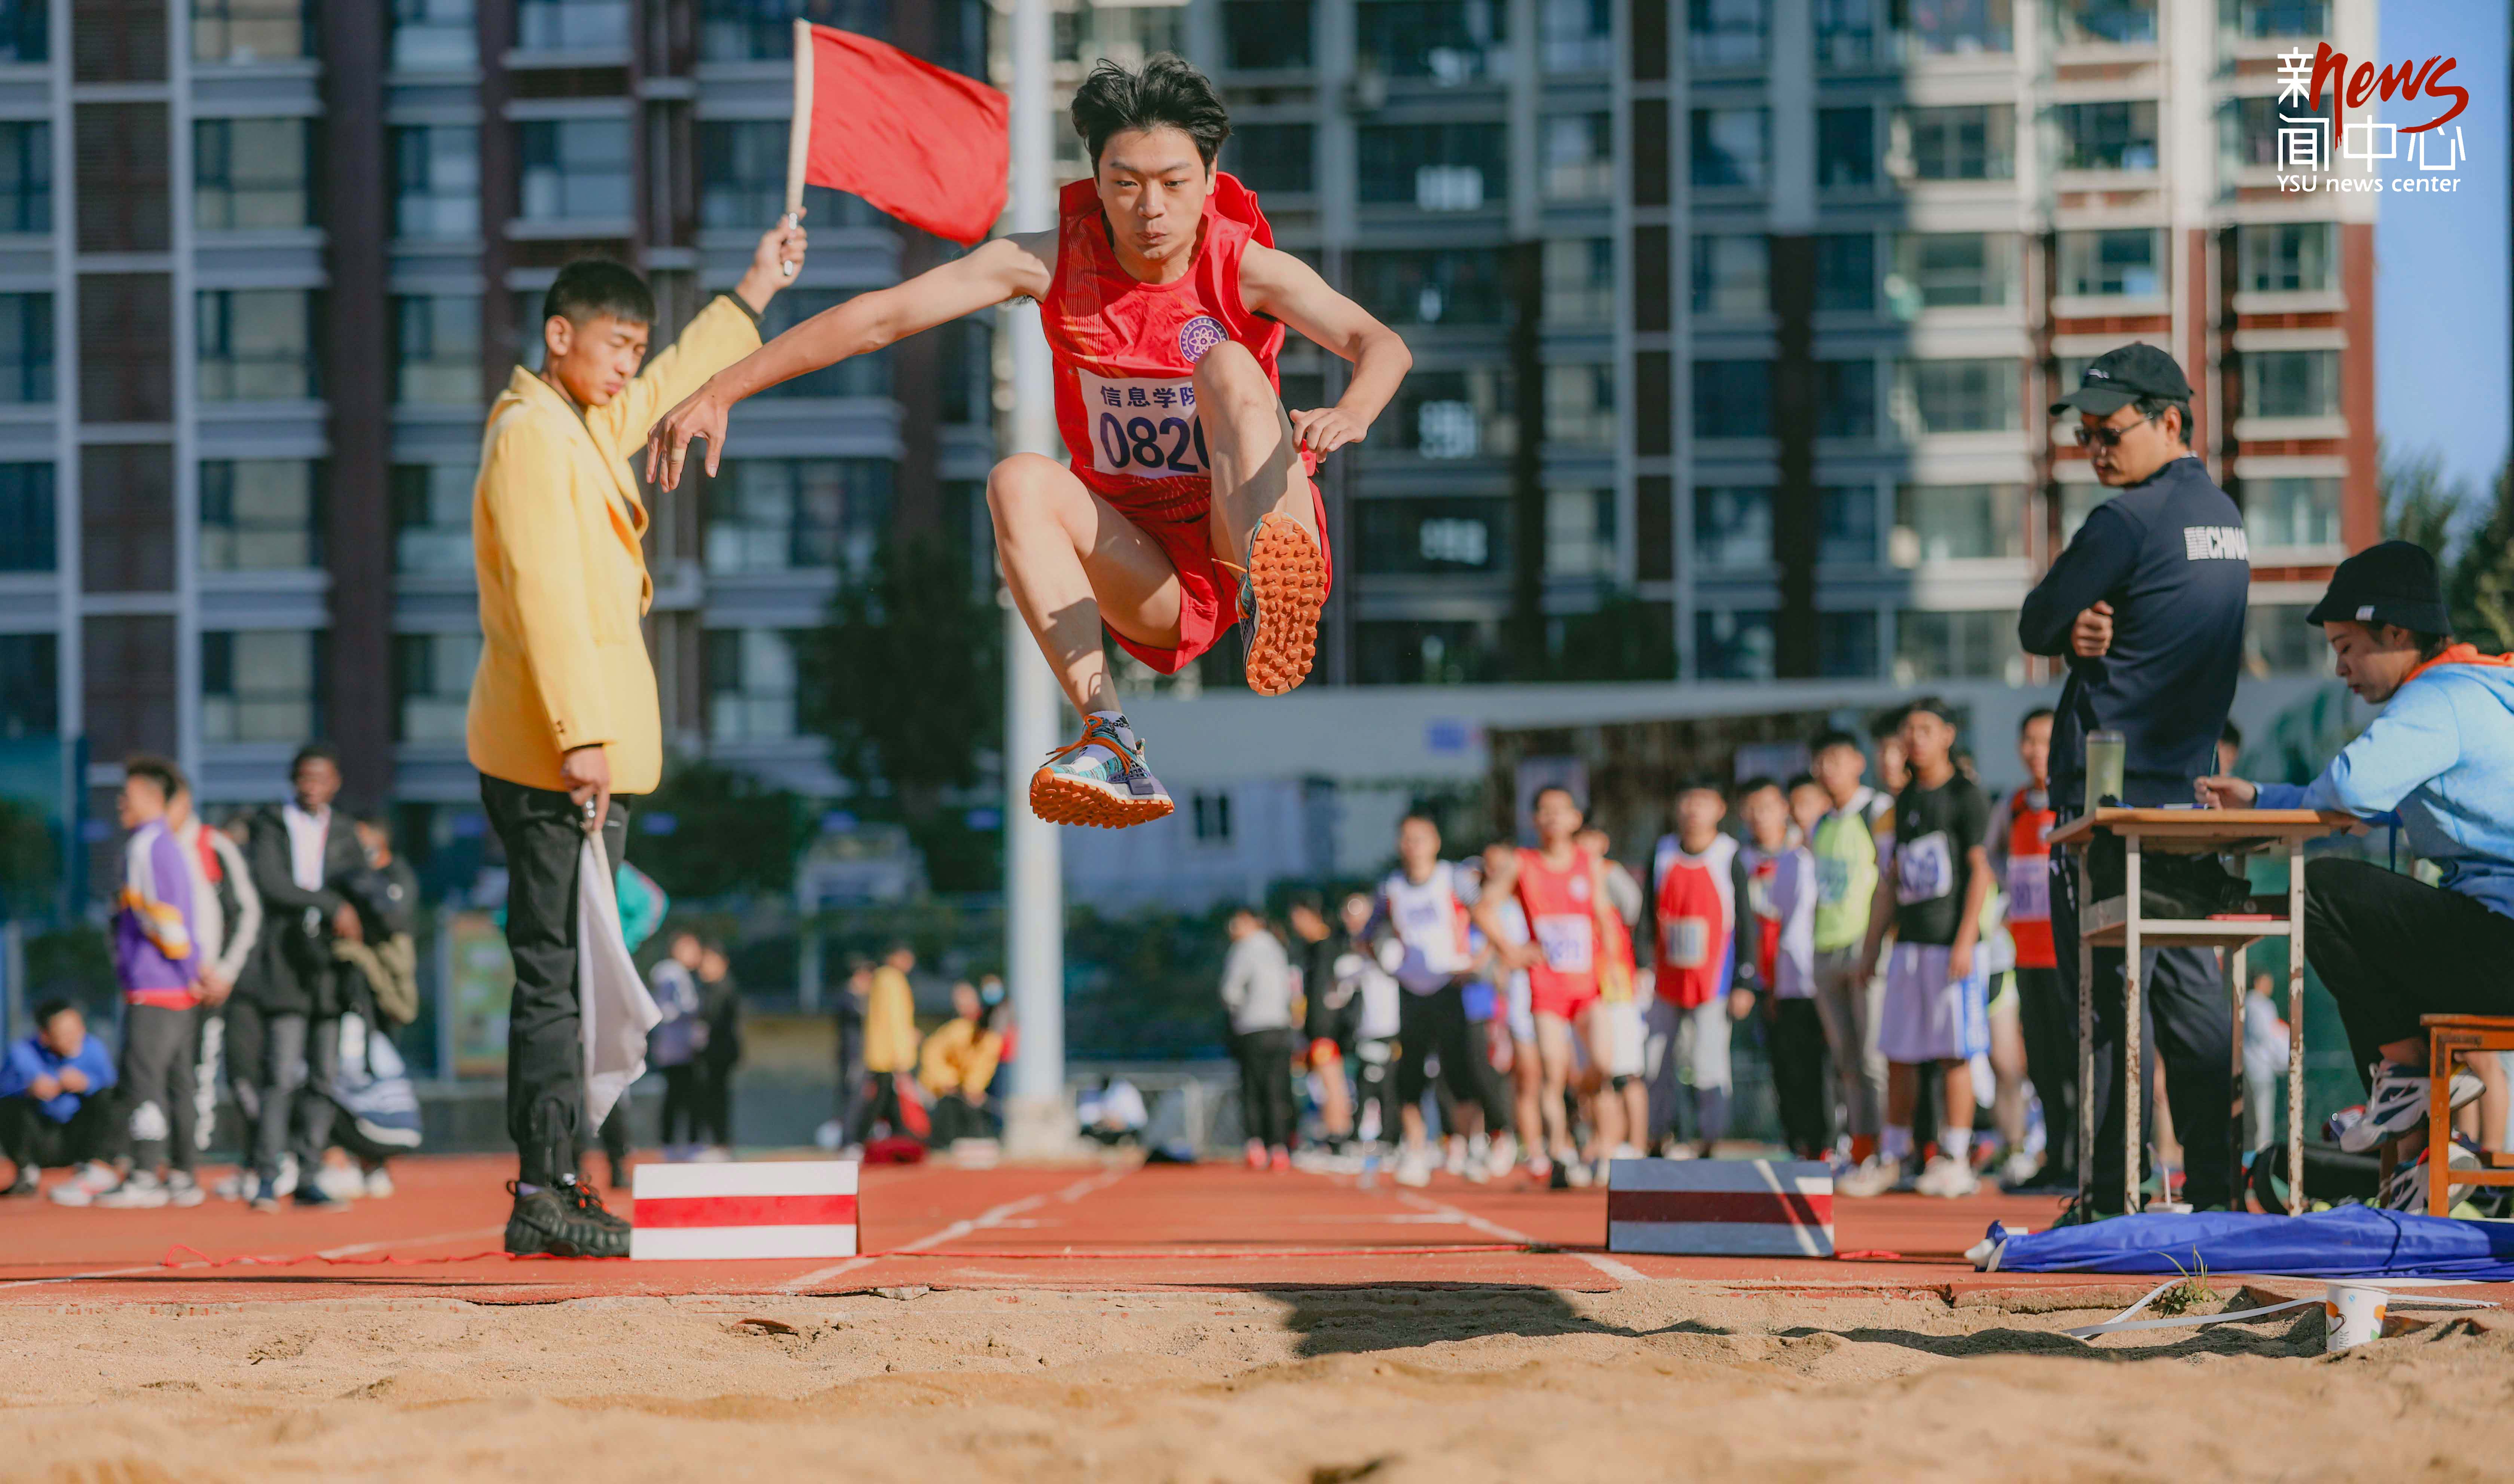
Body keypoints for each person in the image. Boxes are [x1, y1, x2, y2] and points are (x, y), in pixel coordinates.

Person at [645, 55, 1412, 829]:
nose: (1150, 207)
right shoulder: (1049, 261)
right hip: (1149, 575)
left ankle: (1272, 586)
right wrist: (723, 387)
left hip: (1244, 523)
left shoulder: (1245, 267)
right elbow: (880, 318)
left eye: (1174, 183)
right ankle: (1111, 743)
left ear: (1211, 180)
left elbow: (1379, 342)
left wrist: (1354, 410)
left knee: (1227, 365)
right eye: (1125, 182)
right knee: (1017, 478)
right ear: (1098, 179)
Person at [470, 220, 804, 1254]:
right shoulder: (531, 435)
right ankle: (545, 1192)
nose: (626, 365)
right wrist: (580, 737)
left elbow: (669, 386)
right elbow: (546, 596)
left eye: (632, 346)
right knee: (557, 976)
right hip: (551, 759)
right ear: (559, 335)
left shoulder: (578, 424)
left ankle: (563, 1179)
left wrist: (752, 292)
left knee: (580, 974)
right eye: (614, 345)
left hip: (576, 757)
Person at [2197, 541, 2514, 1171]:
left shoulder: (2438, 696)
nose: (2341, 669)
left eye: (2346, 648)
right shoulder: (2481, 688)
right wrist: (2264, 797)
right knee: (2377, 927)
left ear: (2397, 632)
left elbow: (2355, 788)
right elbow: (2383, 807)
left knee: (2321, 891)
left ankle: (2402, 1080)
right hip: (2492, 937)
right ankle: (2410, 1130)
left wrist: (2294, 801)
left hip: (2500, 945)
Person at [2023, 342, 2249, 1217]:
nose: (2093, 451)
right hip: (2193, 800)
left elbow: (2035, 619)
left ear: (2170, 420)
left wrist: (2070, 624)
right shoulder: (2225, 516)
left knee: (2111, 1007)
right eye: (2082, 434)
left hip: (2109, 806)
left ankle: (2113, 1197)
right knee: (2196, 1004)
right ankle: (2221, 1195)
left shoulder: (2127, 520)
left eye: (2106, 430)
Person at [1846, 699, 1993, 1199]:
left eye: (1926, 729)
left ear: (1948, 735)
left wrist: (1967, 937)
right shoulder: (1904, 800)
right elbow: (1891, 881)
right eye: (1908, 731)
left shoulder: (1966, 795)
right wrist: (1871, 948)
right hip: (1907, 946)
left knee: (1955, 1053)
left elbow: (1980, 869)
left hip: (1950, 945)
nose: (1916, 739)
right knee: (1899, 1053)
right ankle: (1893, 1153)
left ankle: (1955, 1155)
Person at [242, 743, 370, 1213]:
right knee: (279, 1072)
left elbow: (362, 884)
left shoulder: (345, 830)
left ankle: (310, 1173)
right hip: (285, 962)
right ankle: (265, 1174)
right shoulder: (272, 823)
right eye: (304, 776)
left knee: (324, 1075)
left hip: (331, 968)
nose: (312, 784)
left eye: (321, 776)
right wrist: (330, 903)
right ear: (293, 779)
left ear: (335, 782)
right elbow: (271, 883)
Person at [1477, 787, 1626, 1186]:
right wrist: (1511, 948)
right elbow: (1483, 906)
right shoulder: (1522, 863)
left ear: (1576, 818)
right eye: (1545, 811)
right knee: (1553, 1070)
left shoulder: (1587, 862)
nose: (1554, 819)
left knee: (1603, 1064)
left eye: (1562, 811)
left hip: (1589, 986)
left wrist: (1612, 963)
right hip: (1546, 988)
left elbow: (1603, 914)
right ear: (1534, 820)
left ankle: (1605, 1146)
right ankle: (1560, 1151)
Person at [80, 757, 205, 1209]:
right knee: (177, 1083)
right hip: (178, 987)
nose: (119, 804)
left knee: (144, 1081)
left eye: (127, 796)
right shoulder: (171, 844)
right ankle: (184, 1174)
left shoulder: (146, 844)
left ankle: (144, 1172)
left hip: (154, 984)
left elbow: (161, 916)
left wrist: (171, 953)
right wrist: (192, 967)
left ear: (152, 800)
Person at [1375, 813, 1514, 1185]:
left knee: (1460, 1069)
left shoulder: (1453, 879)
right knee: (1410, 1073)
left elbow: (1485, 913)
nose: (1413, 846)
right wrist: (1387, 964)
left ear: (1435, 842)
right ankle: (1417, 1150)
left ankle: (1470, 1145)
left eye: (1420, 838)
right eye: (1406, 838)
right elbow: (1369, 933)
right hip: (1411, 991)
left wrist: (1484, 958)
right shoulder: (1391, 887)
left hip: (1450, 987)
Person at [1645, 780, 1751, 1160]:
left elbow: (1746, 919)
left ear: (1720, 808)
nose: (1694, 809)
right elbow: (1647, 914)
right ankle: (1659, 1134)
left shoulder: (1729, 854)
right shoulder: (1662, 852)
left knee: (1709, 1061)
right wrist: (1647, 965)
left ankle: (1711, 1141)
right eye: (1687, 800)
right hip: (1666, 978)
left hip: (1714, 979)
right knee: (1655, 1059)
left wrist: (1744, 979)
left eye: (1703, 802)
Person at [1995, 707, 2073, 1189]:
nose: (2035, 751)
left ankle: (2083, 1163)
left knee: (2073, 1063)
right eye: (2028, 740)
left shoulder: (2075, 802)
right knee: (2041, 1065)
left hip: (2067, 955)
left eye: (2045, 740)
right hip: (2026, 956)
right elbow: (1991, 859)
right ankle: (2055, 1157)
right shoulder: (2015, 804)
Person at [1807, 730, 1888, 1171]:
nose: (1828, 769)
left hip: (1865, 945)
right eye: (1821, 761)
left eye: (1837, 759)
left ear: (1859, 761)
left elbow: (1890, 880)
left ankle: (1892, 1146)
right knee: (1848, 1060)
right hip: (1826, 946)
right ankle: (1862, 1146)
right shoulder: (1820, 822)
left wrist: (1876, 943)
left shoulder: (1878, 810)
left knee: (1875, 1055)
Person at [169, 778, 258, 1170]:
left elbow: (247, 911)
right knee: (176, 1070)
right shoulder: (146, 846)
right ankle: (181, 1158)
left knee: (236, 1070)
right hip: (170, 987)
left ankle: (259, 1159)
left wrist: (224, 971)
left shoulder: (212, 845)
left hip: (226, 984)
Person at [1749, 778, 1827, 1161]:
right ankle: (1802, 1141)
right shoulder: (1789, 861)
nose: (1801, 813)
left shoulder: (1834, 856)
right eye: (1795, 805)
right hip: (1790, 981)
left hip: (1828, 975)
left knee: (1836, 1066)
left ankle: (1837, 1139)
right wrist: (1772, 981)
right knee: (1795, 1067)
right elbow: (1774, 925)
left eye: (1808, 804)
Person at [5, 1001, 117, 1198]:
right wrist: (28, 1089)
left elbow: (115, 1095)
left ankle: (96, 1168)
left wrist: (87, 1084)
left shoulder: (94, 1049)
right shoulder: (22, 1053)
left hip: (78, 1136)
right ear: (45, 1036)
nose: (74, 1038)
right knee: (8, 1103)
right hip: (41, 1138)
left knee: (105, 1096)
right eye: (64, 1033)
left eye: (77, 1029)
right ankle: (27, 1172)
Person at [1220, 907, 1296, 1170]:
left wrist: (1237, 1013)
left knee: (1253, 1090)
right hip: (1280, 1027)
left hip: (1252, 1029)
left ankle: (1256, 1146)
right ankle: (1280, 1148)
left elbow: (1231, 992)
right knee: (1278, 1090)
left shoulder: (1243, 949)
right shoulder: (1279, 947)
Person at [1334, 891, 1403, 1152]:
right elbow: (1339, 987)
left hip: (1392, 1027)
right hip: (1367, 1029)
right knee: (1365, 1083)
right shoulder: (1351, 959)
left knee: (1389, 1085)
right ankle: (1361, 1136)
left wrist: (1371, 948)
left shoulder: (1391, 947)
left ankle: (1391, 1137)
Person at [1287, 893, 1354, 1150]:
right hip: (1317, 1030)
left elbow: (1327, 996)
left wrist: (1322, 1028)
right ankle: (1332, 1133)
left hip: (1326, 1030)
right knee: (1325, 1084)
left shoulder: (1329, 948)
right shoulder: (1312, 949)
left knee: (1332, 1082)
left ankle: (1337, 1134)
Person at [918, 982, 1005, 1146]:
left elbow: (983, 1066)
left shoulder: (992, 1039)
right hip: (943, 1090)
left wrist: (973, 1088)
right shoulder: (956, 1030)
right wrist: (946, 1080)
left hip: (965, 1092)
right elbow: (932, 1054)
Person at [851, 944, 920, 1147]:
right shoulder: (891, 980)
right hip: (887, 1055)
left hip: (886, 1053)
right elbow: (894, 1019)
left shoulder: (886, 979)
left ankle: (900, 1137)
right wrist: (901, 1052)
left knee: (890, 1100)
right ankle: (858, 1140)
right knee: (879, 1099)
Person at [646, 931, 708, 1157]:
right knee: (675, 1098)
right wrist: (691, 1012)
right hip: (674, 1050)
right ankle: (671, 1145)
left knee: (689, 1098)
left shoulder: (689, 975)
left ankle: (687, 1143)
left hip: (686, 1049)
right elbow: (664, 1010)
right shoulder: (669, 973)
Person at [695, 941, 744, 1155]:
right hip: (710, 1054)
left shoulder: (726, 989)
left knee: (718, 1098)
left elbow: (718, 1023)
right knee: (710, 1098)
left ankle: (721, 1143)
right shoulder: (708, 989)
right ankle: (717, 1142)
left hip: (719, 1054)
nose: (704, 967)